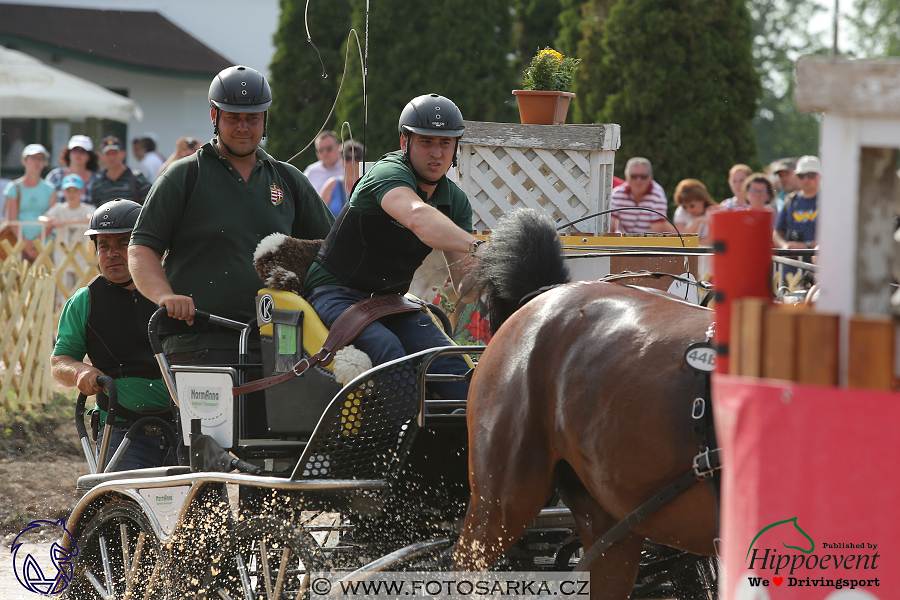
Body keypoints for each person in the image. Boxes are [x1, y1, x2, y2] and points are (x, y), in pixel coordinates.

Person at [129, 64, 334, 364]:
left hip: (281, 341)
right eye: (233, 118)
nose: (243, 127)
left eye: (252, 118)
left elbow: (332, 251)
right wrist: (164, 296)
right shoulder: (184, 176)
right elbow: (141, 248)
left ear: (265, 119)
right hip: (198, 339)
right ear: (214, 117)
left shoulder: (289, 180)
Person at [303, 93, 483, 400]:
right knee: (389, 350)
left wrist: (500, 267)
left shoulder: (456, 200)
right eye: (426, 142)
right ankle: (405, 441)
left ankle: (457, 438)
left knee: (445, 360)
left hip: (390, 303)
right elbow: (417, 218)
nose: (436, 153)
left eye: (445, 143)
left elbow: (466, 289)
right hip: (335, 294)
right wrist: (478, 246)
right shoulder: (388, 173)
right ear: (404, 142)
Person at [51, 200, 174, 472]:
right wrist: (80, 371)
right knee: (124, 513)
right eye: (103, 245)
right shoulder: (84, 301)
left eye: (122, 244)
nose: (112, 253)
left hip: (187, 426)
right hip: (120, 430)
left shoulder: (174, 291)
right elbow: (59, 362)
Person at [39, 173, 94, 292]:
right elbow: (42, 218)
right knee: (62, 292)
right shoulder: (60, 208)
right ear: (63, 191)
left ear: (82, 192)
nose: (72, 194)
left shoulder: (87, 208)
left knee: (83, 290)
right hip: (62, 256)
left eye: (75, 190)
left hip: (82, 257)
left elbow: (92, 218)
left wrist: (66, 222)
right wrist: (53, 221)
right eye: (69, 190)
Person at [3, 143, 55, 261]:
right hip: (17, 245)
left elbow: (51, 218)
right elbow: (12, 219)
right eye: (33, 158)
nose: (37, 162)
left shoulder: (50, 189)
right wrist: (25, 244)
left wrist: (36, 244)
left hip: (44, 246)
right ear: (24, 161)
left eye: (41, 159)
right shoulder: (13, 187)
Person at [609, 157, 673, 233]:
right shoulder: (617, 194)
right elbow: (608, 227)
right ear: (626, 176)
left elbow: (656, 235)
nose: (638, 181)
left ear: (650, 177)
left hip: (647, 242)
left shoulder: (658, 196)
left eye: (643, 177)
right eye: (634, 176)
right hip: (622, 241)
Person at [92, 136, 151, 206]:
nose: (111, 157)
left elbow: (149, 208)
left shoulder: (138, 180)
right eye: (108, 154)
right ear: (101, 156)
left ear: (123, 154)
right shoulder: (97, 185)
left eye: (115, 153)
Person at [45, 135, 102, 205]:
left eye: (83, 151)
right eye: (75, 150)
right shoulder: (55, 176)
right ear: (69, 153)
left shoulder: (97, 180)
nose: (78, 154)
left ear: (89, 156)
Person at [319, 140, 365, 216]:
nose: (352, 163)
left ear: (362, 161)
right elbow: (318, 214)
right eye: (347, 158)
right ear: (341, 161)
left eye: (357, 158)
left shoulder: (369, 186)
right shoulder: (331, 185)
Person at [672, 179, 717, 245]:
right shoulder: (681, 211)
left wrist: (689, 243)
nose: (688, 210)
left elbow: (712, 240)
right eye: (684, 206)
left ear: (702, 200)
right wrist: (697, 221)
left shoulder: (714, 212)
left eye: (692, 205)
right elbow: (680, 238)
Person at [303, 131, 343, 196]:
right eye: (320, 150)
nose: (325, 153)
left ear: (339, 147)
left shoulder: (348, 168)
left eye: (329, 148)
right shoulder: (311, 171)